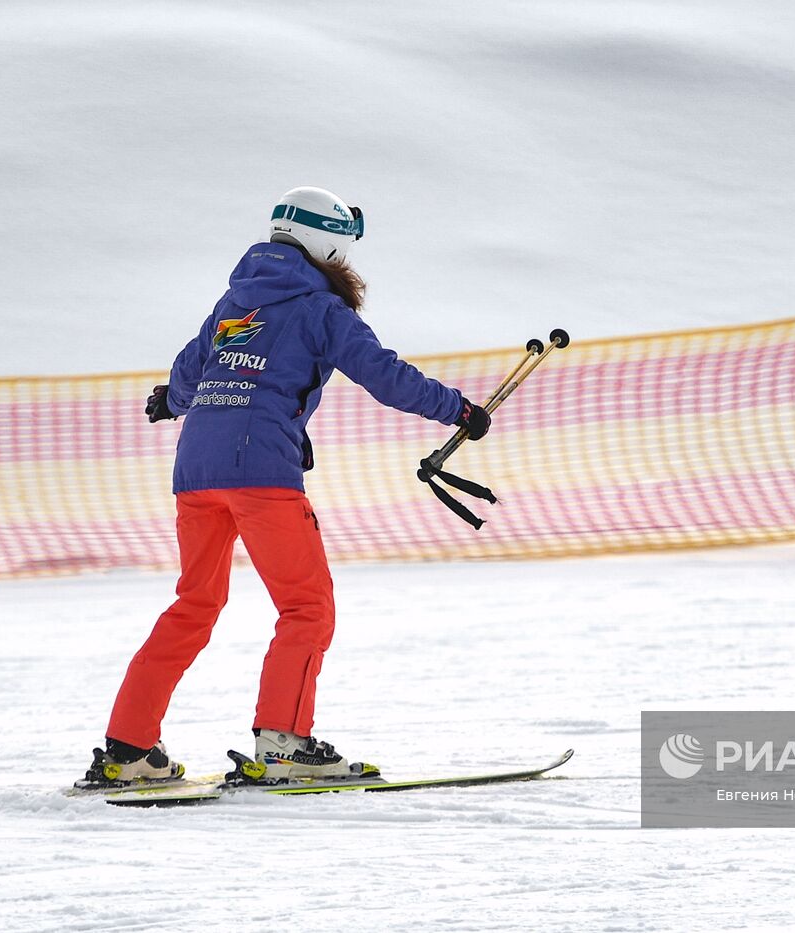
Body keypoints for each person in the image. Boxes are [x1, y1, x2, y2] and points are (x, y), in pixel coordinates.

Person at [81, 186, 492, 785]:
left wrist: (171, 401)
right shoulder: (320, 310)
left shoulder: (235, 301)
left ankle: (129, 748)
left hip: (196, 472)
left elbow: (192, 369)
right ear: (325, 243)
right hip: (262, 472)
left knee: (194, 605)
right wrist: (457, 409)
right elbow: (384, 375)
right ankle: (284, 746)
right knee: (306, 607)